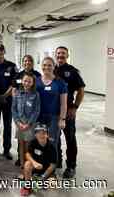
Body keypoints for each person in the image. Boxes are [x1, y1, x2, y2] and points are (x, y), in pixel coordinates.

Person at [54, 46, 85, 178]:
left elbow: (81, 90)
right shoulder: (52, 69)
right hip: (54, 111)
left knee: (70, 139)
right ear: (55, 55)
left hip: (67, 112)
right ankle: (57, 161)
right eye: (58, 53)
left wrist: (75, 107)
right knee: (55, 138)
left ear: (67, 55)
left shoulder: (72, 71)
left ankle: (71, 166)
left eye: (63, 53)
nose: (60, 55)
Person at [36, 57, 67, 166]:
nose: (47, 67)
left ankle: (51, 170)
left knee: (52, 143)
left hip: (54, 118)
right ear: (41, 66)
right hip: (39, 117)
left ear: (54, 67)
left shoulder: (60, 83)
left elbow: (63, 103)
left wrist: (62, 119)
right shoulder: (37, 81)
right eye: (44, 65)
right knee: (40, 142)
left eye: (49, 65)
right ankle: (41, 166)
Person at [12, 72, 40, 177]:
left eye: (29, 81)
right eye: (25, 81)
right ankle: (23, 166)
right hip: (19, 123)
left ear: (33, 83)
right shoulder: (17, 93)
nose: (27, 83)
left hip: (30, 124)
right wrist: (18, 122)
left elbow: (36, 110)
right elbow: (13, 109)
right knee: (21, 145)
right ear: (22, 81)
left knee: (29, 146)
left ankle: (29, 166)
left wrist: (28, 124)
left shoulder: (35, 94)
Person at [20, 124, 57, 196]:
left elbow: (53, 165)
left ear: (47, 135)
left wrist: (43, 177)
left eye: (44, 133)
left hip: (46, 172)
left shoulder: (52, 147)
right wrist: (34, 163)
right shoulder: (33, 142)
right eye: (38, 133)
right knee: (27, 164)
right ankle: (27, 186)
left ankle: (38, 182)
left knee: (53, 184)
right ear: (35, 135)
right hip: (35, 168)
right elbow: (27, 154)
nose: (41, 135)